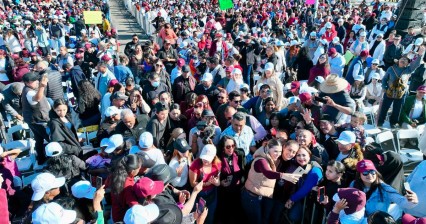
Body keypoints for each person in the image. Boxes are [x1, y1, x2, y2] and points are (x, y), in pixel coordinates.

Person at [242, 139, 301, 224]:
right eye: (289, 150)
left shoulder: (292, 165)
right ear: (284, 147)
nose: (291, 153)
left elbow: (292, 184)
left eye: (294, 152)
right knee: (263, 219)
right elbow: (266, 173)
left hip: (281, 199)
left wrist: (290, 198)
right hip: (266, 196)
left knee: (275, 220)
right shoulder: (272, 158)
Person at [351, 160, 418, 218]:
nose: (370, 175)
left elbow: (402, 202)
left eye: (372, 172)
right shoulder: (353, 185)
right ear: (359, 175)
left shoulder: (384, 188)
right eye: (365, 173)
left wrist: (411, 201)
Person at [377, 56, 421, 128]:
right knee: (384, 108)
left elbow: (416, 64)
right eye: (402, 59)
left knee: (397, 110)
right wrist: (384, 87)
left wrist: (420, 55)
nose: (403, 60)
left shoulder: (408, 70)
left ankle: (393, 123)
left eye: (406, 60)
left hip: (401, 94)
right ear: (398, 60)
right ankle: (380, 122)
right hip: (389, 92)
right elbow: (384, 79)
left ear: (407, 64)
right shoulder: (391, 69)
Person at [285, 146, 323, 223]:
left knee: (294, 217)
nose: (301, 158)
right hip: (300, 199)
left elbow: (305, 189)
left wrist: (291, 199)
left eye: (304, 155)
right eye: (298, 155)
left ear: (309, 156)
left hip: (311, 204)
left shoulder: (315, 170)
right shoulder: (301, 167)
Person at [21, 72, 50, 165]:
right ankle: (54, 159)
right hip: (38, 121)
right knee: (50, 139)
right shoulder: (29, 92)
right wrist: (42, 86)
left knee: (39, 140)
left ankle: (41, 159)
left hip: (33, 120)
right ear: (28, 83)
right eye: (34, 81)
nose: (37, 81)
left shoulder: (29, 89)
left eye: (37, 80)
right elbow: (37, 98)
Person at [189, 144, 221, 224]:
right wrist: (207, 183)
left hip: (212, 194)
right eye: (203, 158)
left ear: (213, 157)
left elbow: (218, 183)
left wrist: (216, 182)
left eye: (208, 159)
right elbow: (193, 184)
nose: (205, 160)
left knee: (210, 215)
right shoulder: (195, 164)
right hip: (199, 194)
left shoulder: (217, 164)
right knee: (198, 217)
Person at [109, 154, 142, 222]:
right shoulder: (128, 186)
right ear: (133, 171)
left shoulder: (114, 174)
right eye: (139, 168)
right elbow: (134, 206)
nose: (139, 170)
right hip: (122, 218)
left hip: (114, 211)